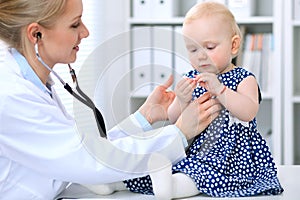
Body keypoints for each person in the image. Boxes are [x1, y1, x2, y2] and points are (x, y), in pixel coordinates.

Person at [0, 0, 222, 199]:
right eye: (75, 24)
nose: (85, 32)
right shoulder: (11, 96)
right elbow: (88, 160)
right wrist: (179, 132)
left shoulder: (34, 83)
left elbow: (84, 151)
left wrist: (143, 118)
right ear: (36, 34)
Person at [99, 2, 283, 199]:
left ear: (234, 45)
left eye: (210, 47)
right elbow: (173, 118)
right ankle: (113, 183)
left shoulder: (243, 78)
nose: (201, 56)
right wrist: (182, 99)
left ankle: (170, 187)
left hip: (232, 157)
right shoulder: (193, 77)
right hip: (196, 149)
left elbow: (248, 112)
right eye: (193, 50)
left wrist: (220, 90)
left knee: (199, 177)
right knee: (169, 167)